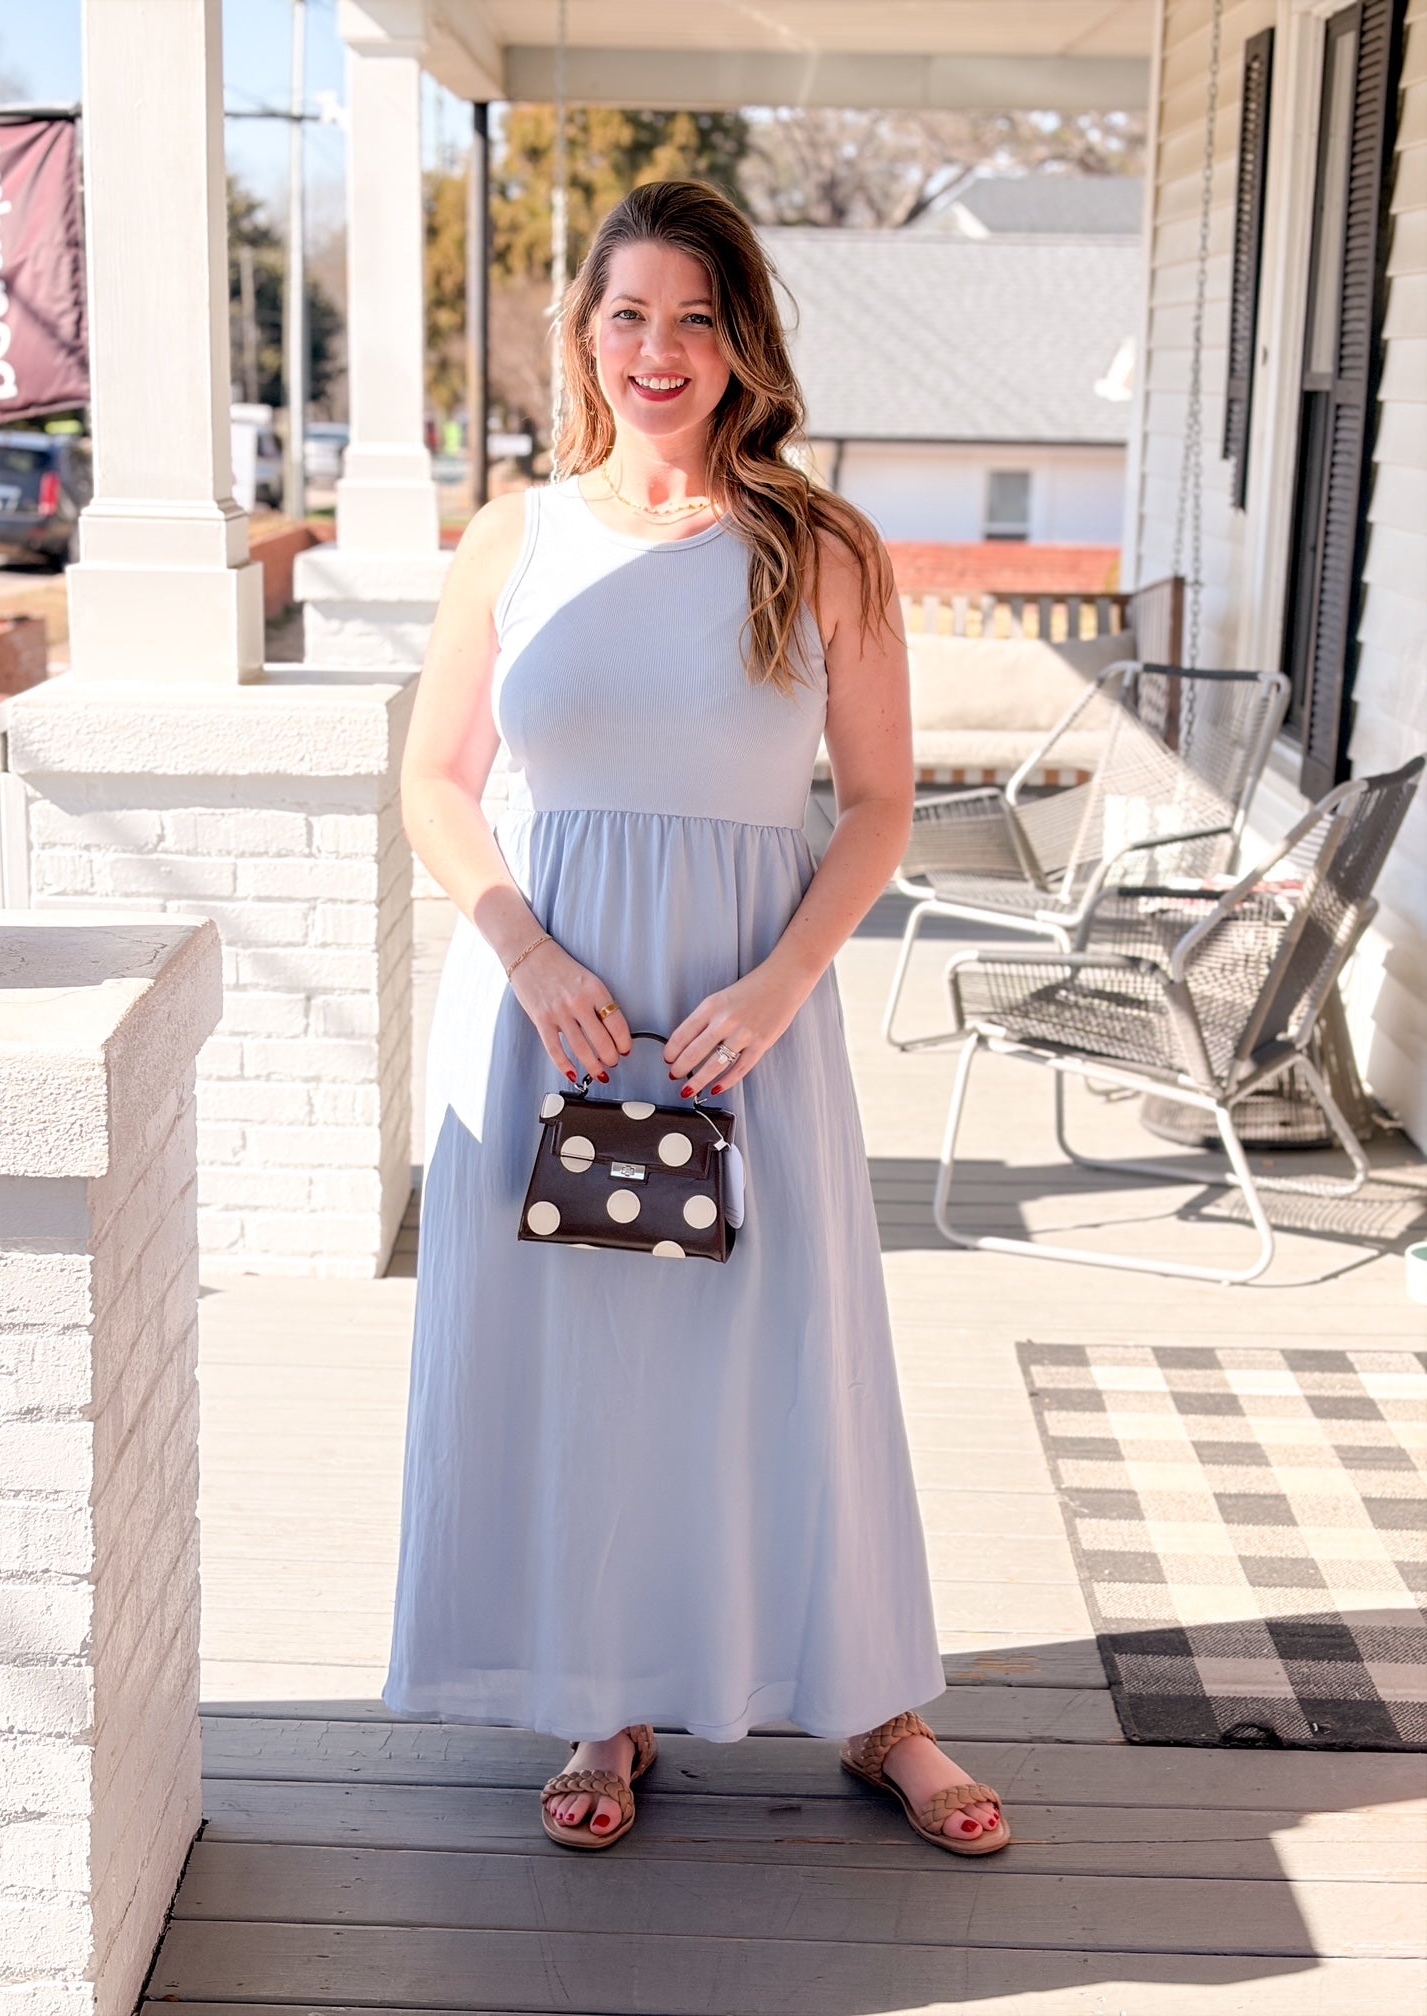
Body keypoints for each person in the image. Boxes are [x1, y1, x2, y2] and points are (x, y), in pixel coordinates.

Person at [383, 179, 1009, 1859]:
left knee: (791, 1354)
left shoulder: (822, 545)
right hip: (552, 1018)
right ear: (584, 334)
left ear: (744, 344)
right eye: (628, 315)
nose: (658, 350)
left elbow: (877, 804)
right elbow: (437, 784)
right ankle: (609, 1698)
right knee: (593, 1367)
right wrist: (527, 954)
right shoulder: (515, 537)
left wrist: (783, 983)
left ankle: (875, 1703)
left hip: (750, 1014)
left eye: (696, 318)